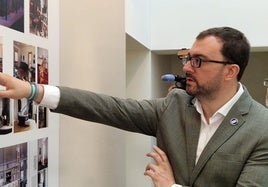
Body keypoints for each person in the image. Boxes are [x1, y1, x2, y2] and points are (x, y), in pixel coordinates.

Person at [0, 26, 268, 187]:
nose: (186, 67)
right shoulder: (174, 106)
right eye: (187, 57)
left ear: (230, 71)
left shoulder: (261, 128)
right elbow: (108, 107)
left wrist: (169, 185)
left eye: (198, 61)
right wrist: (34, 91)